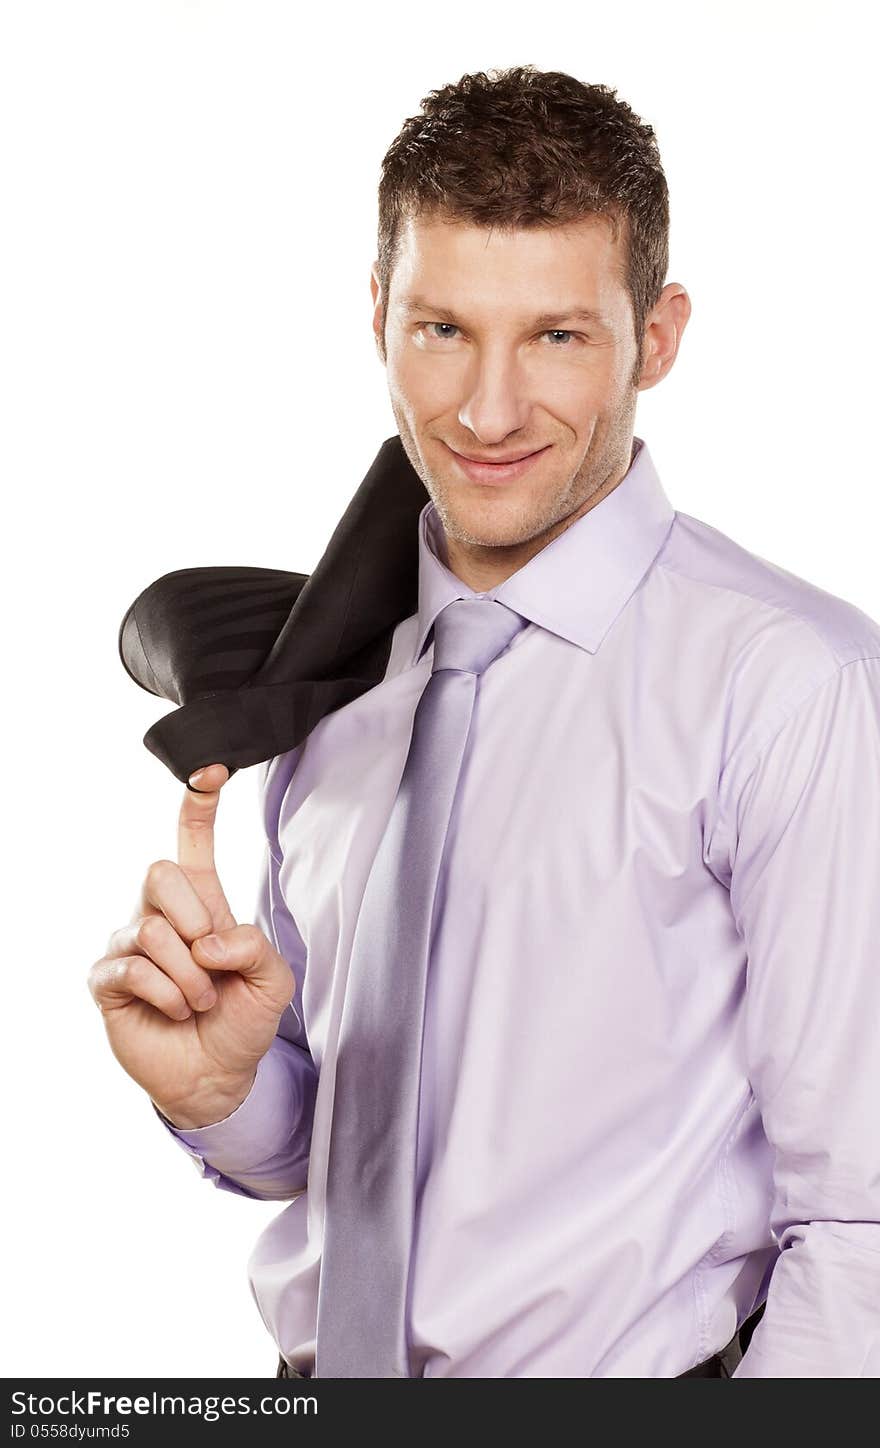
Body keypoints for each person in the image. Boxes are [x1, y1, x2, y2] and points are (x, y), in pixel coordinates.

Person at [89, 65, 880, 1378]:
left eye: (559, 336)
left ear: (660, 335)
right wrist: (222, 1091)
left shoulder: (792, 687)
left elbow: (863, 1219)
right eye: (442, 329)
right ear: (379, 319)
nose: (487, 409)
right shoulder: (335, 689)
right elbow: (353, 1159)